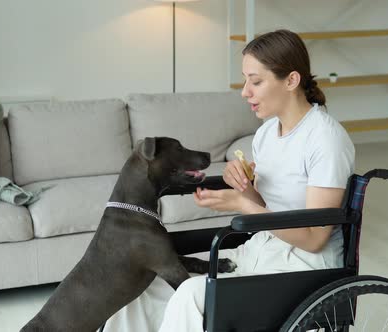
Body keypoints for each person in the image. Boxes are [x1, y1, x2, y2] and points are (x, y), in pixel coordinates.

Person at [103, 29, 355, 332]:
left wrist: (242, 205)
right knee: (142, 284)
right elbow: (269, 209)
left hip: (301, 268)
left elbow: (315, 238)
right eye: (246, 80)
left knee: (190, 295)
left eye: (256, 81)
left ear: (291, 80)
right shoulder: (266, 134)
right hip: (260, 250)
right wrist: (245, 190)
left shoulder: (325, 138)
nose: (245, 91)